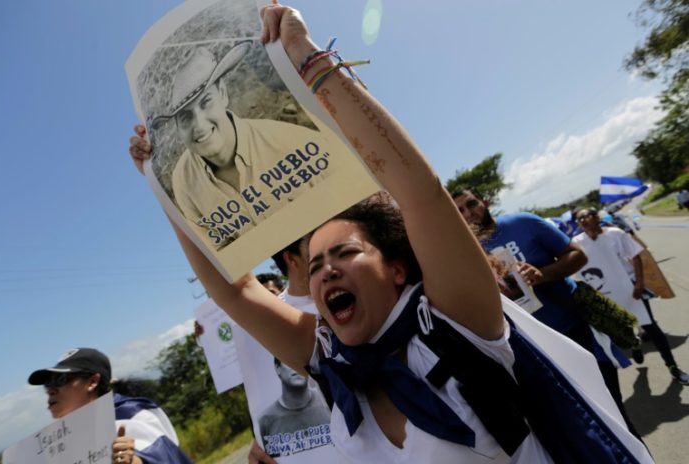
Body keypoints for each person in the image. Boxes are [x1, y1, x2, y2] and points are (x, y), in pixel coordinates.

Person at [129, 4, 651, 462]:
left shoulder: (460, 322)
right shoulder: (329, 363)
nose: (325, 268)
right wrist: (163, 185)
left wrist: (306, 58)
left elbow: (418, 190)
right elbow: (234, 289)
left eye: (344, 252)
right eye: (313, 266)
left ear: (397, 267)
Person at [451, 189, 641, 438]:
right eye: (459, 210)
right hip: (533, 350)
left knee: (615, 416)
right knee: (583, 427)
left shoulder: (524, 223)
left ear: (485, 202)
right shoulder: (465, 254)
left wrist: (542, 275)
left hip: (575, 332)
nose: (468, 213)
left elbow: (577, 255)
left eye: (471, 203)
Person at [142, 43, 332, 249]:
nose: (200, 124)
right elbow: (221, 252)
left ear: (222, 94)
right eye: (185, 117)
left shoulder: (293, 142)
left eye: (205, 102)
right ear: (178, 128)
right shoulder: (184, 182)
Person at [573, 207, 689, 385]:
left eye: (587, 216)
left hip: (630, 289)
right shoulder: (577, 243)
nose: (584, 221)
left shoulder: (615, 234)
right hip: (606, 295)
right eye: (579, 219)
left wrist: (640, 283)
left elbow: (635, 257)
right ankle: (635, 344)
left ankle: (673, 367)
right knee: (623, 327)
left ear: (596, 217)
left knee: (651, 327)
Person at [28, 347, 192, 464]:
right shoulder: (64, 438)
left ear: (92, 382)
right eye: (48, 384)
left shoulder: (130, 414)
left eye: (60, 380)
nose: (50, 390)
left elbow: (161, 456)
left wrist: (132, 461)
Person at [258, 358, 331, 457]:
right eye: (288, 360)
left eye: (298, 359)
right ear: (277, 368)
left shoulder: (329, 400)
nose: (295, 367)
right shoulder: (264, 421)